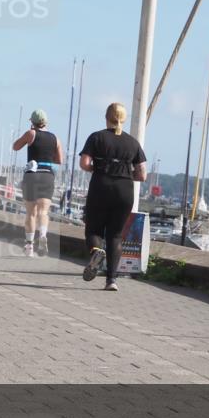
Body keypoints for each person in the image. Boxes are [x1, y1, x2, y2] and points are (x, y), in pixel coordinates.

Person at [78, 102, 147, 290]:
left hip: (101, 185)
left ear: (106, 117)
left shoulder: (96, 137)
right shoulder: (133, 143)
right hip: (125, 191)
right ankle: (111, 281)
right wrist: (124, 174)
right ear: (123, 119)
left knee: (93, 230)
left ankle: (96, 251)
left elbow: (84, 163)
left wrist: (97, 168)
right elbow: (142, 174)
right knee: (115, 236)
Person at [12, 110, 63, 257]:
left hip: (32, 175)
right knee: (43, 212)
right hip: (47, 175)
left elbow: (16, 146)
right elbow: (60, 160)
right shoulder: (56, 138)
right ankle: (43, 235)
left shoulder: (31, 134)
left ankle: (29, 247)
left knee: (31, 213)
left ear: (32, 122)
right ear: (46, 122)